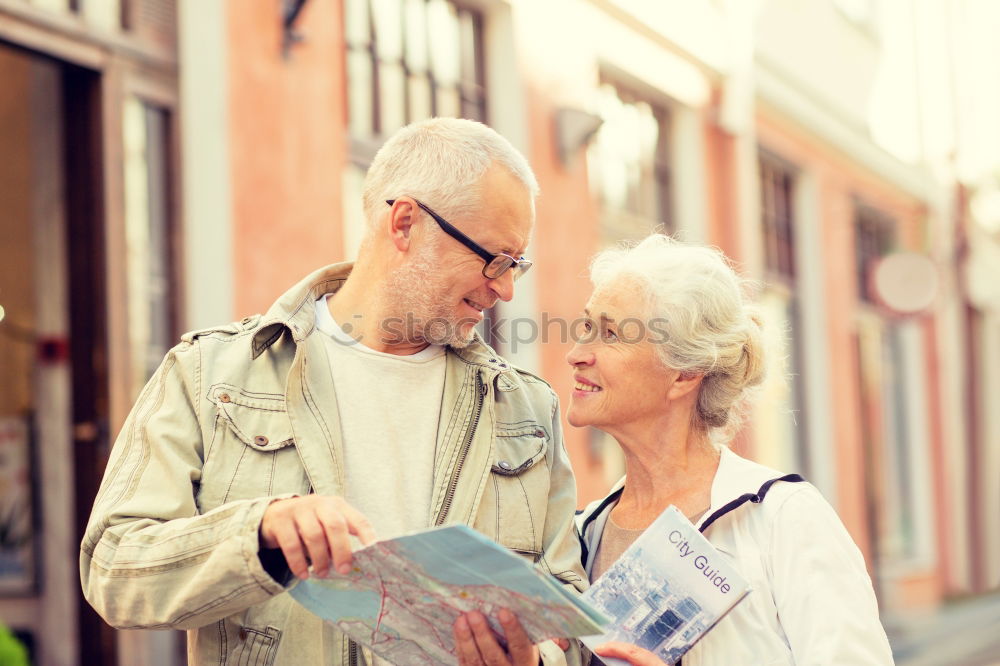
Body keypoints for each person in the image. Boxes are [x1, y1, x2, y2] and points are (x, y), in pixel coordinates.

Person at [80, 118, 585, 666]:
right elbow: (113, 567)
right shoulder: (210, 374)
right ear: (406, 223)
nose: (506, 287)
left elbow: (573, 620)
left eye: (517, 265)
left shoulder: (528, 410)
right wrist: (258, 533)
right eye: (495, 259)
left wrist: (537, 661)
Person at [569, 235, 894, 665]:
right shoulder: (582, 535)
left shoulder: (782, 519)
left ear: (684, 374)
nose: (576, 353)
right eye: (586, 327)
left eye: (610, 334)